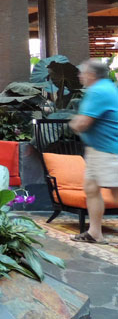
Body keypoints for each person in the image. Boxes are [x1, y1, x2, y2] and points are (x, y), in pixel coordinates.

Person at [69, 59, 118, 244]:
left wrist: (73, 123)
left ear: (92, 74)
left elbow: (82, 123)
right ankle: (95, 233)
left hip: (108, 150)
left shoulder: (98, 91)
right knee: (91, 188)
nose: (80, 76)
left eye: (82, 72)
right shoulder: (105, 88)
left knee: (116, 192)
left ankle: (95, 232)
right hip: (99, 149)